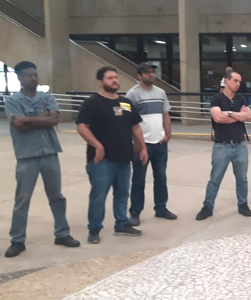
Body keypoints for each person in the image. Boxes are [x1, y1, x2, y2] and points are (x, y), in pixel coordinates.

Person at [3, 61, 79, 258]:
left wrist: (28, 119)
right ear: (19, 77)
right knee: (22, 199)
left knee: (57, 197)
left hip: (50, 154)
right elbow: (19, 125)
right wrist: (41, 117)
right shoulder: (12, 101)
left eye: (35, 74)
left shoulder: (47, 97)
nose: (33, 78)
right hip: (27, 156)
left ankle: (62, 234)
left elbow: (53, 120)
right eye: (28, 75)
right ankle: (17, 240)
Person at [76, 66, 148, 244]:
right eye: (110, 78)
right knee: (99, 196)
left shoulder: (126, 102)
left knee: (122, 194)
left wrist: (142, 147)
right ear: (100, 82)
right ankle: (94, 229)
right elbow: (82, 127)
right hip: (102, 161)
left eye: (116, 77)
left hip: (124, 158)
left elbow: (135, 127)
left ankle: (121, 224)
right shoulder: (92, 103)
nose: (114, 80)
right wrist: (98, 146)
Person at [196, 69, 251, 220]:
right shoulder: (217, 99)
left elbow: (248, 116)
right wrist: (238, 115)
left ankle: (243, 204)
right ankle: (208, 206)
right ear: (227, 81)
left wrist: (228, 113)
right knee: (215, 178)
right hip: (222, 145)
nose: (238, 84)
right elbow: (218, 118)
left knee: (242, 178)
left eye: (239, 81)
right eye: (235, 80)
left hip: (240, 145)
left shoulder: (241, 99)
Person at [126, 62, 177, 226]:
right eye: (148, 72)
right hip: (143, 144)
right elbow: (128, 120)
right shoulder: (132, 94)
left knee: (161, 177)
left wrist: (168, 133)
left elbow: (165, 114)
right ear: (139, 75)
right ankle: (135, 212)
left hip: (160, 143)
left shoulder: (160, 92)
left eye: (153, 72)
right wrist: (135, 142)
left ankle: (161, 208)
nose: (152, 75)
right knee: (139, 179)